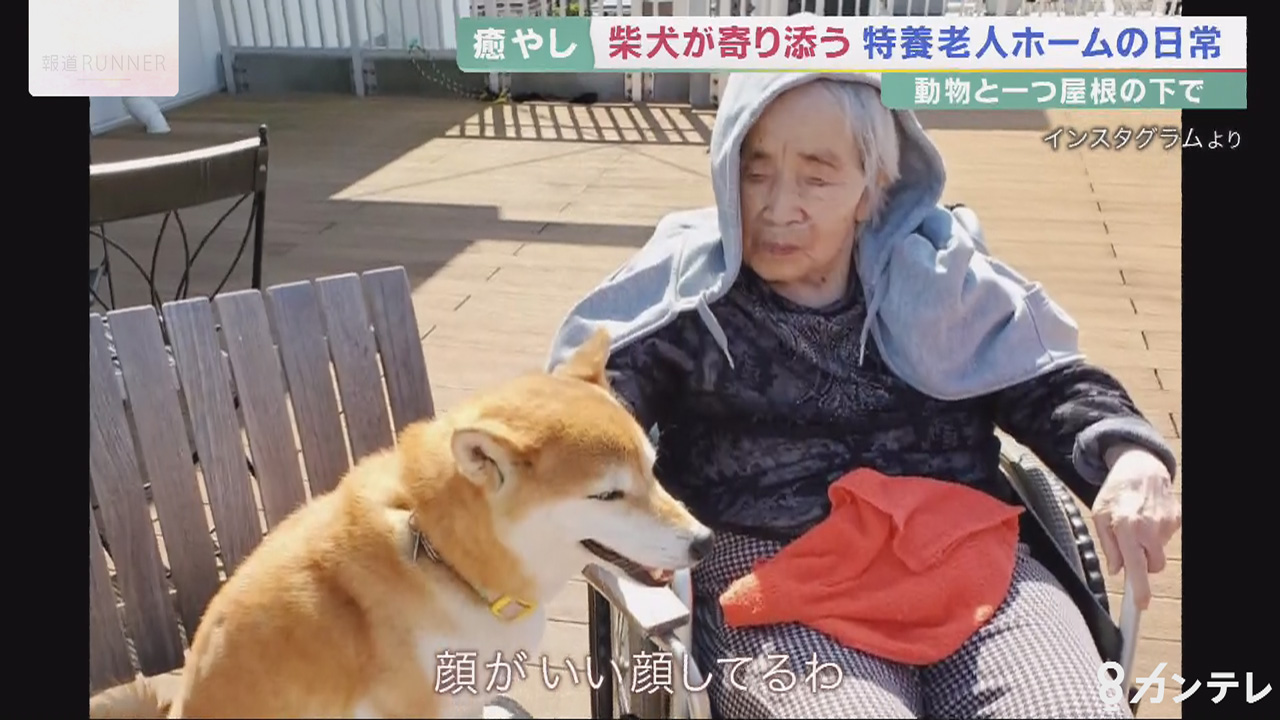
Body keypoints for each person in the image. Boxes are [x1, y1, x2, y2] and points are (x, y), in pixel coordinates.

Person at [546, 70, 1181, 719]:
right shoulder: (687, 302)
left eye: (816, 177)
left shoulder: (942, 283)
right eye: (755, 172)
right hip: (774, 576)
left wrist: (1131, 459)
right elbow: (589, 413)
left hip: (968, 565)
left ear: (873, 187)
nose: (778, 206)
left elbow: (1052, 385)